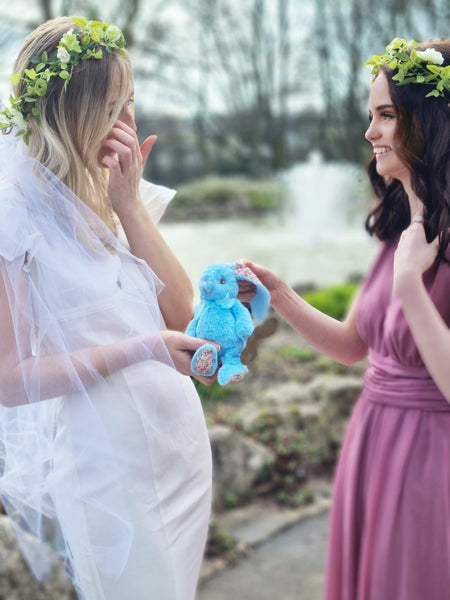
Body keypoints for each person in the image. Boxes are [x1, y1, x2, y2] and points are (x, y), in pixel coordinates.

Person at [0, 16, 217, 600]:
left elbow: (179, 312)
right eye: (114, 107)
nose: (129, 124)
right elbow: (9, 381)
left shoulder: (119, 192)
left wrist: (130, 206)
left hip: (180, 448)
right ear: (76, 115)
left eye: (131, 103)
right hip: (107, 472)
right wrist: (140, 349)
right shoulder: (13, 215)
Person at [240, 38, 450, 599]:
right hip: (373, 437)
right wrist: (279, 293)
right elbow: (354, 345)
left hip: (433, 456)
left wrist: (410, 286)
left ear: (429, 122)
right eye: (371, 116)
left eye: (386, 115)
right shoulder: (398, 228)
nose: (370, 132)